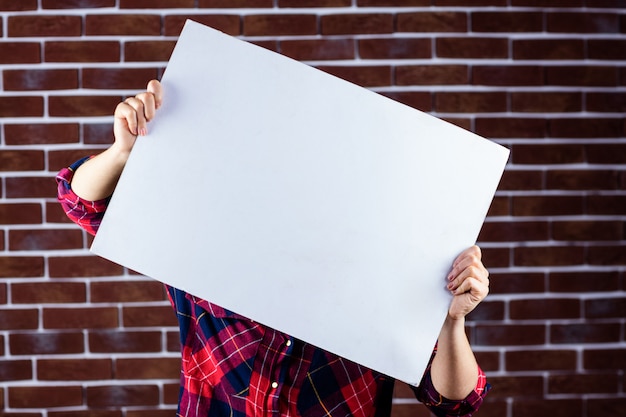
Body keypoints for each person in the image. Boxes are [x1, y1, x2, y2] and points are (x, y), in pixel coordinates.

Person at [57, 80, 491, 417]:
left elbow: (455, 402)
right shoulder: (206, 233)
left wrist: (452, 322)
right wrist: (122, 152)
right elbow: (84, 203)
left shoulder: (390, 272)